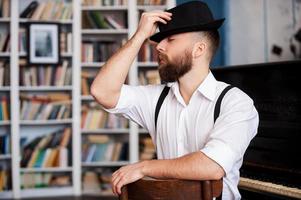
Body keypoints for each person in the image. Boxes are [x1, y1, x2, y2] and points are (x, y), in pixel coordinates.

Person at [90, 1, 259, 199]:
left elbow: (212, 165)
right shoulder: (155, 99)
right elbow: (102, 91)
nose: (158, 46)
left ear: (199, 49)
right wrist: (139, 36)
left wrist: (145, 167)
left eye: (170, 39)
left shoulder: (236, 103)